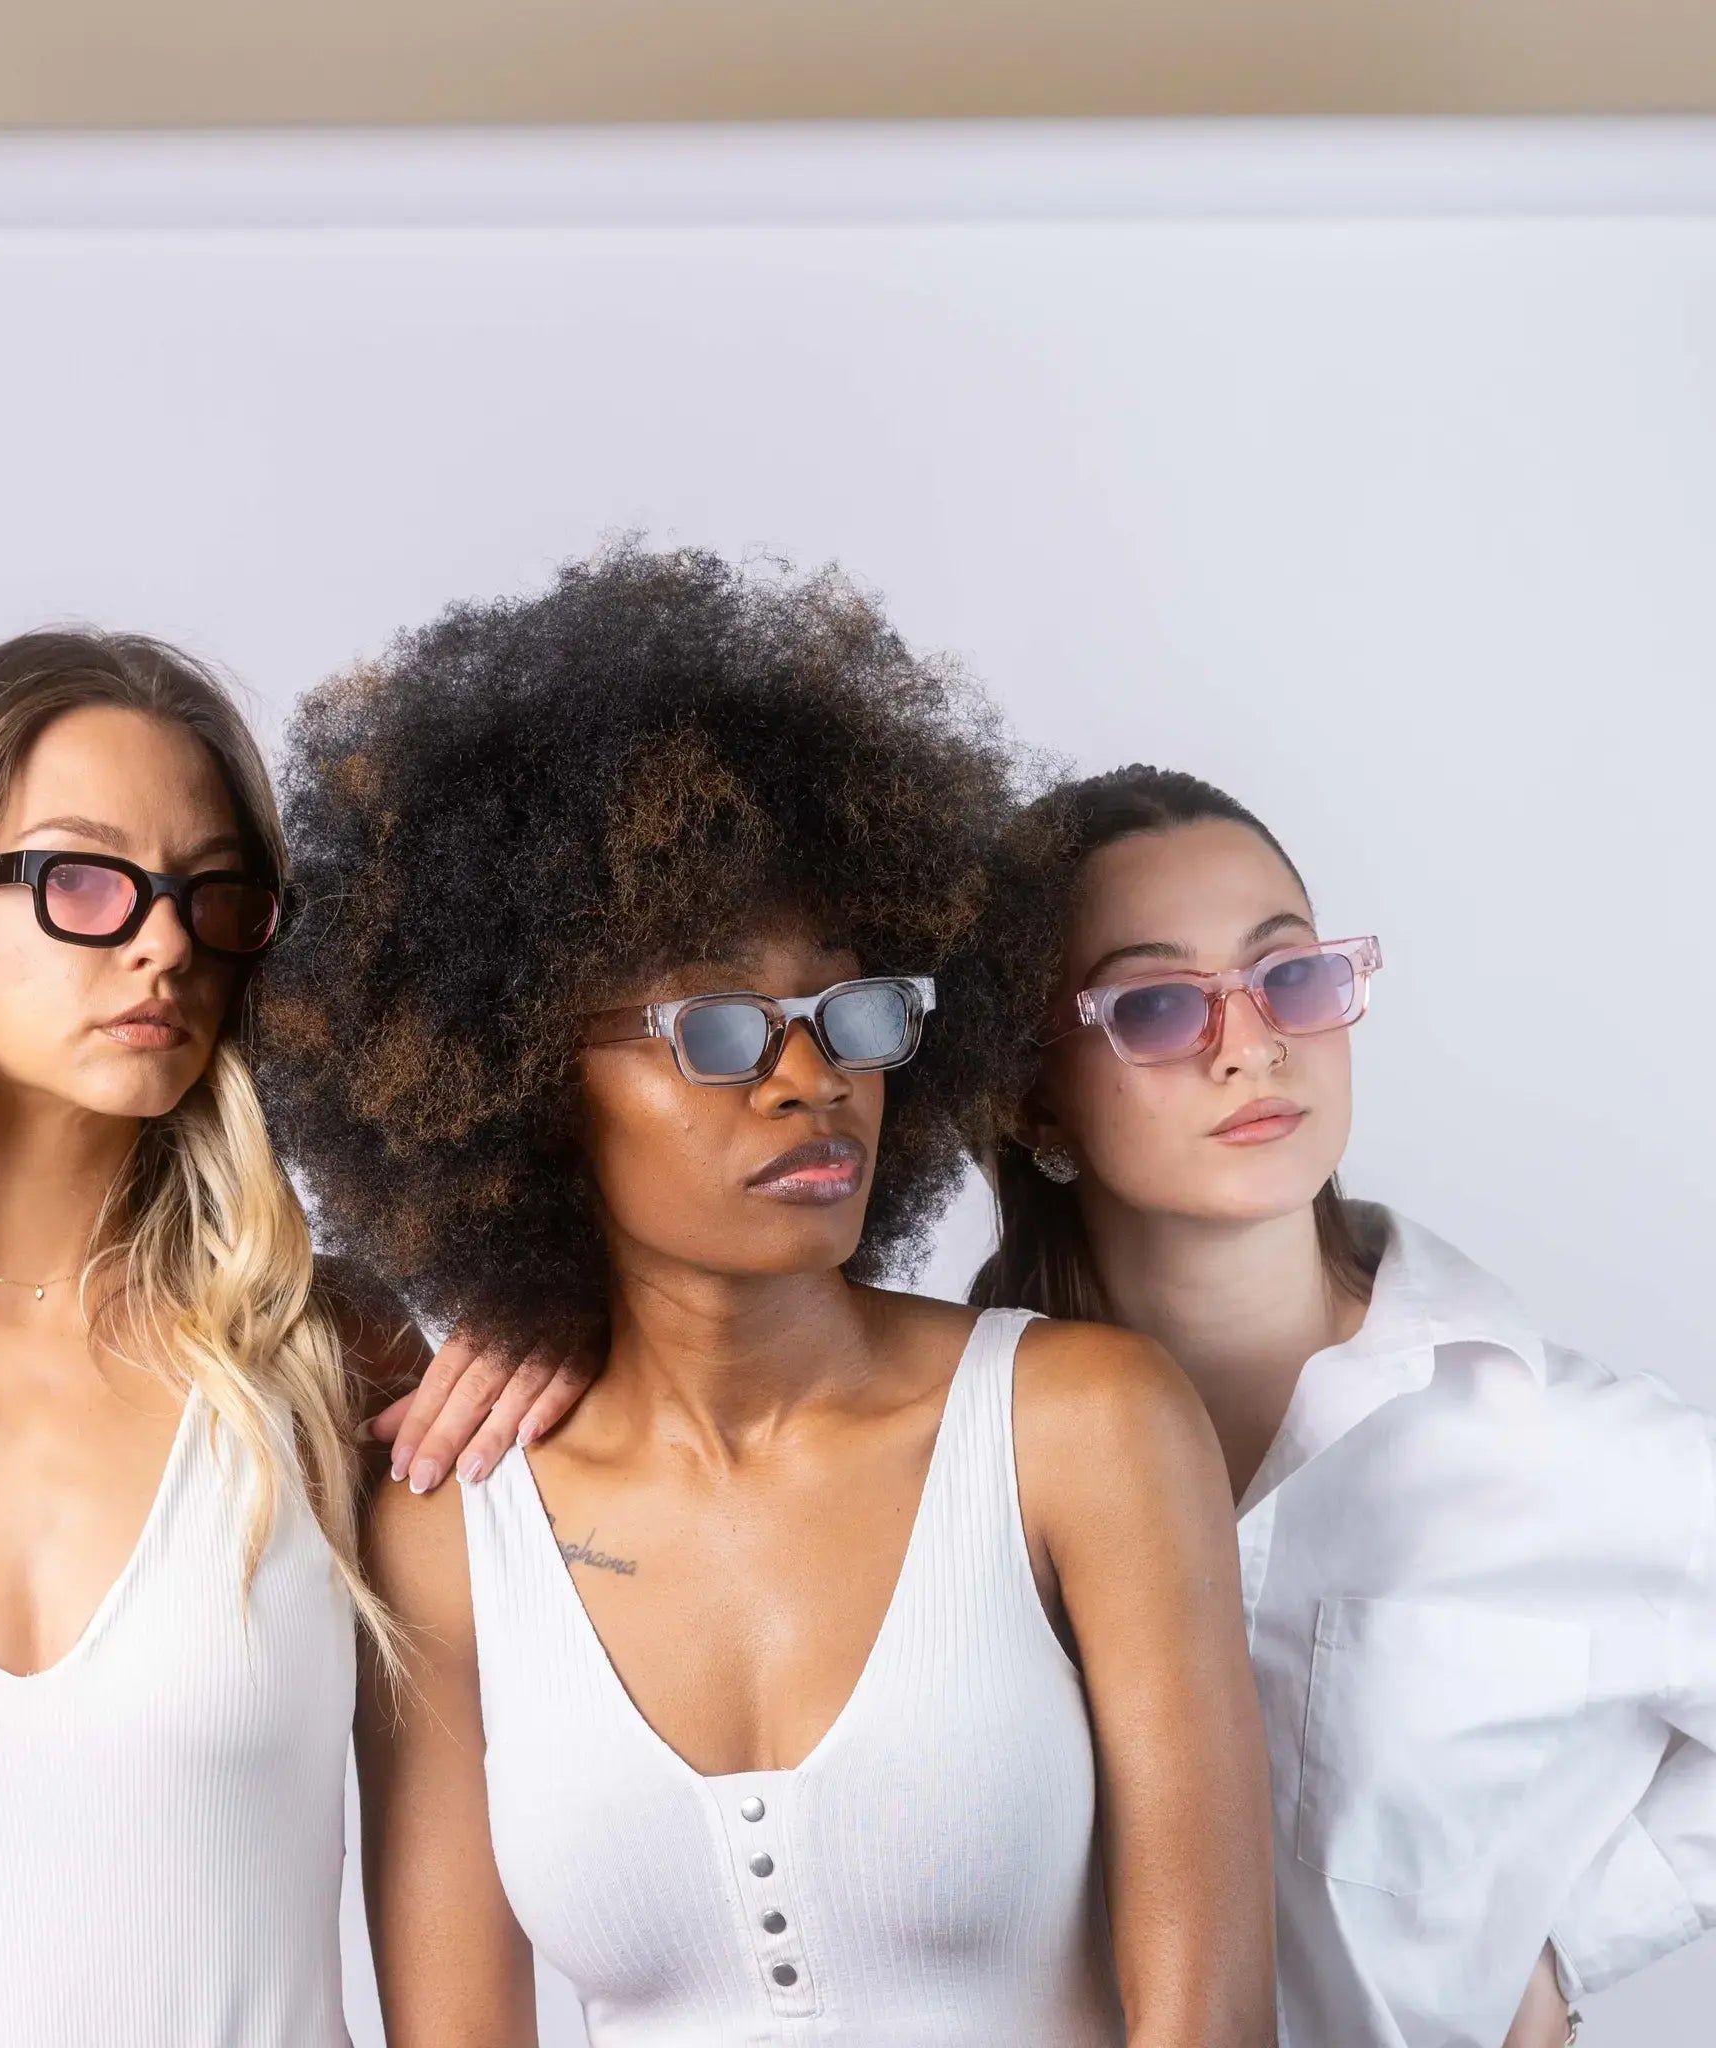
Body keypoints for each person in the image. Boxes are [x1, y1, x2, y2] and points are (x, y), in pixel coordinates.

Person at [260, 546, 1277, 2047]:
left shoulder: (1083, 1425)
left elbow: (1211, 2023)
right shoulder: (446, 1526)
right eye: (723, 1029)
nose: (815, 1080)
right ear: (524, 1078)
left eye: (851, 1013)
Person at [0, 630, 564, 2047]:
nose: (162, 941)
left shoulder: (333, 1357)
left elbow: (460, 1988)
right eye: (82, 879)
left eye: (215, 894)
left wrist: (578, 1332)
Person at [976, 764, 1715, 2048]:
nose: (1249, 1042)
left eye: (1289, 976)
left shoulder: (1572, 1450)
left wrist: (1561, 1947)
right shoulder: (944, 1451)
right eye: (1157, 1004)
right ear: (1030, 1095)